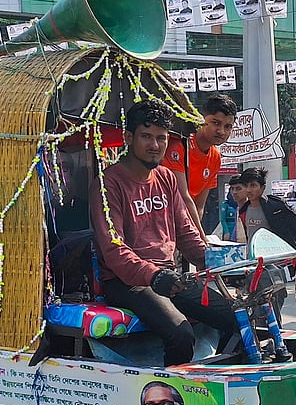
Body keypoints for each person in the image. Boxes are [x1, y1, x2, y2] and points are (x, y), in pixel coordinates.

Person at [89, 100, 238, 366]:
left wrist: (222, 262)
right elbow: (114, 250)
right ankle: (172, 396)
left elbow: (186, 233)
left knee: (238, 316)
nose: (155, 145)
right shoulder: (108, 182)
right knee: (180, 334)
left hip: (168, 277)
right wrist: (154, 275)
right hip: (127, 282)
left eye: (161, 138)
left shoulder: (167, 177)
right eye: (146, 137)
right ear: (129, 138)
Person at [162, 94, 236, 233]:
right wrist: (200, 237)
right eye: (215, 123)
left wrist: (194, 236)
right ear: (202, 119)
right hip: (163, 221)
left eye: (228, 126)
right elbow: (183, 196)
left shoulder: (215, 157)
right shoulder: (180, 144)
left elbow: (199, 206)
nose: (221, 131)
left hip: (184, 227)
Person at [234, 168, 296, 251]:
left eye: (253, 185)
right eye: (246, 186)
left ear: (262, 188)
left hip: (275, 260)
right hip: (254, 259)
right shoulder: (244, 210)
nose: (249, 190)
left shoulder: (276, 207)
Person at [220, 175, 246, 242]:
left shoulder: (252, 210)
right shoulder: (235, 208)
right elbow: (222, 220)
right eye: (232, 188)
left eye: (238, 188)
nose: (234, 192)